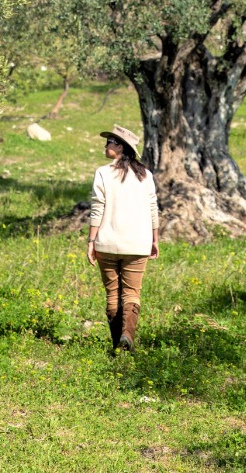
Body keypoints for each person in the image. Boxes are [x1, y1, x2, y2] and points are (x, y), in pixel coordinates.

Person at [87, 124, 159, 352]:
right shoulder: (146, 175)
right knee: (131, 293)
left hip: (107, 243)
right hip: (138, 244)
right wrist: (155, 239)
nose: (105, 144)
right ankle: (127, 337)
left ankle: (117, 343)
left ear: (120, 147)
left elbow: (97, 208)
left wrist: (91, 241)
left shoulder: (103, 173)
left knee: (112, 293)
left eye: (109, 141)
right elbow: (153, 208)